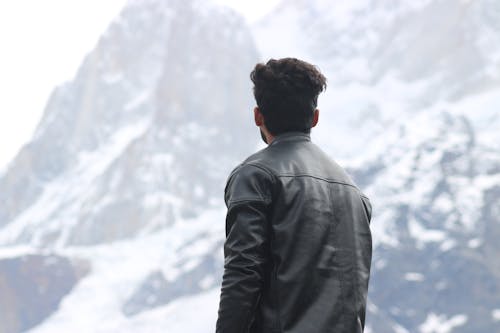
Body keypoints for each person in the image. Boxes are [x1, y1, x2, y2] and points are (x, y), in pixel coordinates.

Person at [216, 58, 372, 333]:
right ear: (314, 117)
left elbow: (243, 274)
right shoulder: (353, 192)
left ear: (257, 116)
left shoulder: (256, 176)